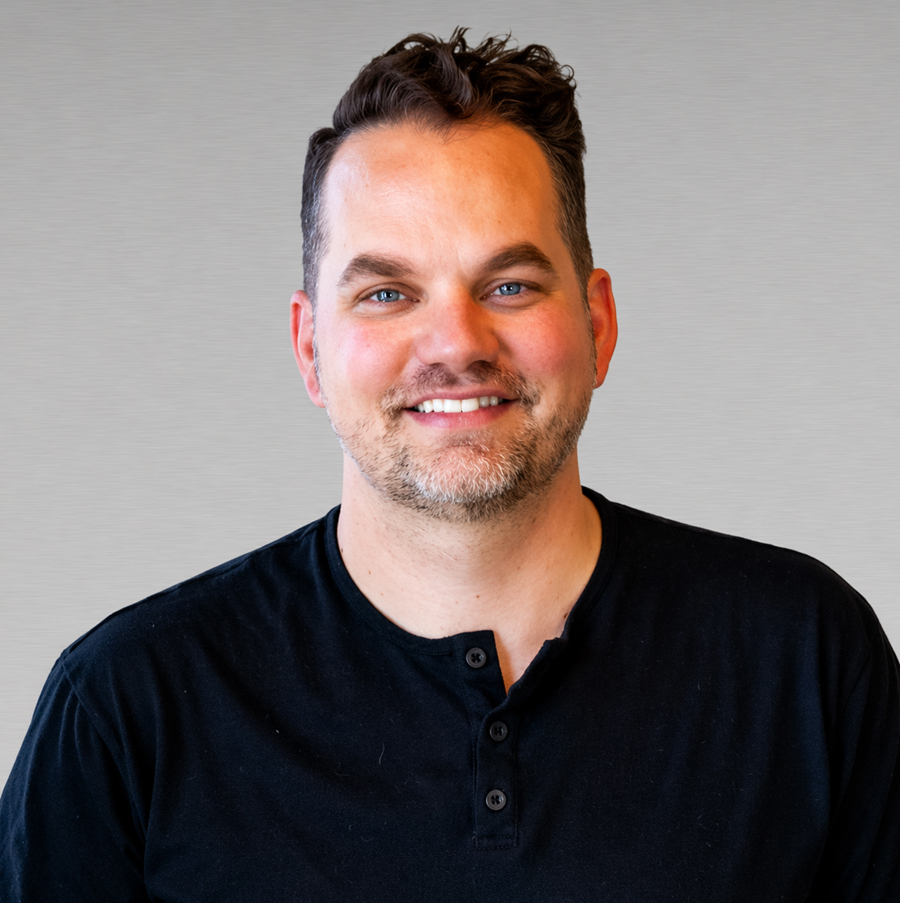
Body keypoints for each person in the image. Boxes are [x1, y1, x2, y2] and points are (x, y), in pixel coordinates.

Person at [1, 28, 898, 901]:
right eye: (387, 293)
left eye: (508, 284)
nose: (455, 344)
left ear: (597, 324)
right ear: (310, 347)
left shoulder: (805, 659)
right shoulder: (128, 709)